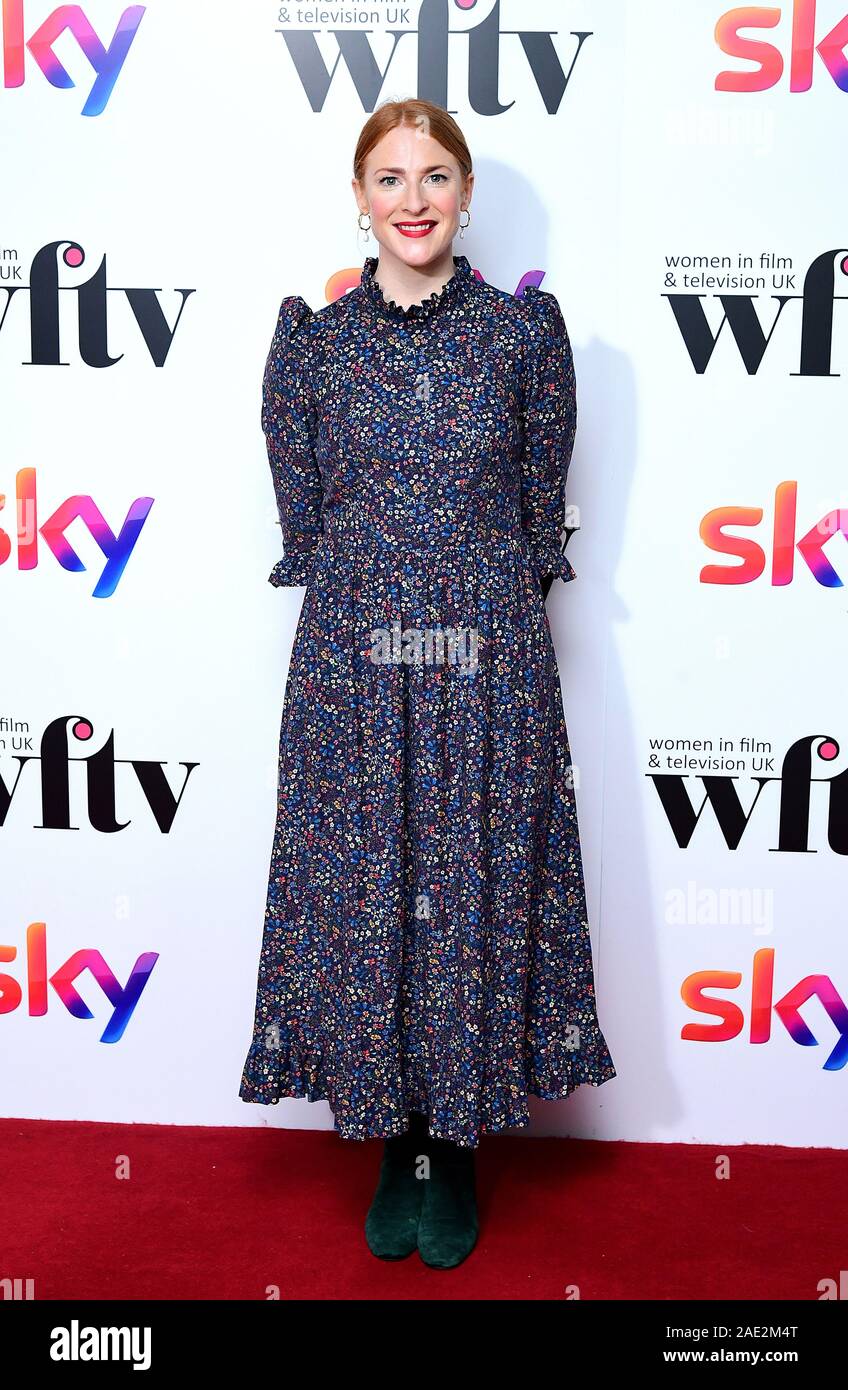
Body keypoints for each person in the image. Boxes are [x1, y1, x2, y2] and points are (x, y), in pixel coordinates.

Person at [239, 97, 617, 1270]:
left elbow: (533, 509)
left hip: (482, 662)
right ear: (360, 196)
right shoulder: (310, 340)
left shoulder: (519, 336)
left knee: (464, 891)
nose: (412, 199)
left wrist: (473, 616)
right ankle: (388, 1138)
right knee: (365, 897)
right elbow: (303, 515)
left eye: (435, 176)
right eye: (389, 177)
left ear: (464, 197)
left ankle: (446, 1150)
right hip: (353, 665)